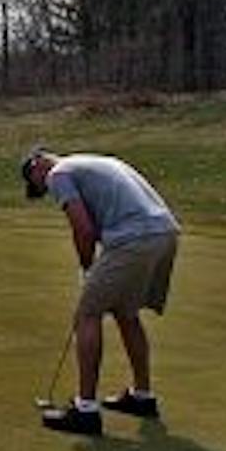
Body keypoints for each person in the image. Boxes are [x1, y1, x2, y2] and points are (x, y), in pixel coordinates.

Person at [19, 147, 181, 436]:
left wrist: (86, 268)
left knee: (87, 314)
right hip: (164, 233)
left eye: (36, 184)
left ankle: (85, 411)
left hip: (135, 238)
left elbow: (84, 229)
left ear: (37, 166)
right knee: (125, 312)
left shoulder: (59, 174)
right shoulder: (99, 161)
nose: (44, 189)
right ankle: (142, 397)